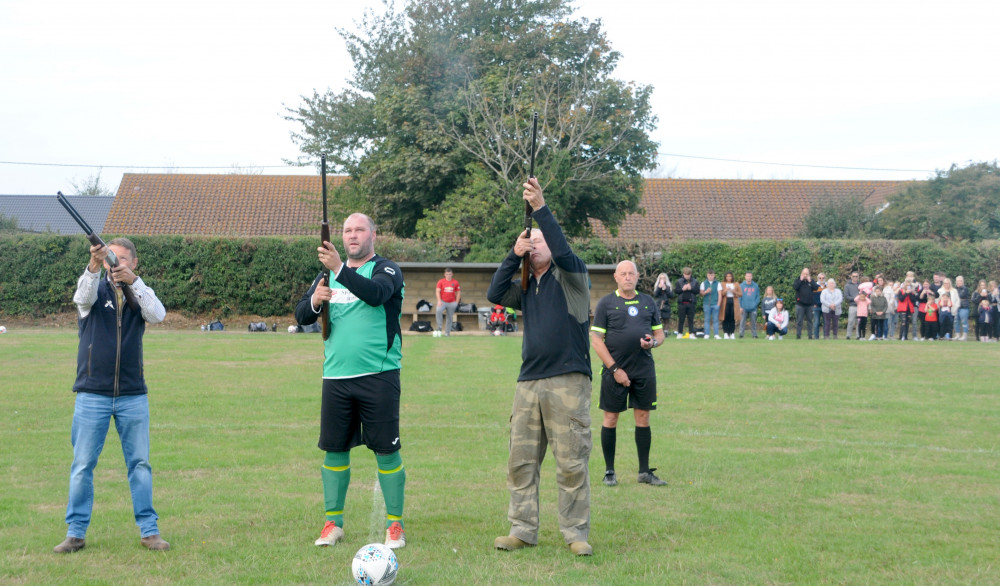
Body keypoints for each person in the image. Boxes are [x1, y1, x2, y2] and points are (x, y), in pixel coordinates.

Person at [487, 177, 593, 557]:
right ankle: (522, 529)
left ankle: (575, 532)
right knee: (521, 461)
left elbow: (562, 251)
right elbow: (495, 293)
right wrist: (514, 255)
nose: (535, 249)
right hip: (528, 382)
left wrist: (541, 209)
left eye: (538, 243)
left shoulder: (575, 279)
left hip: (568, 380)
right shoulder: (528, 287)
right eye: (530, 245)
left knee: (571, 462)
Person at [295, 213, 407, 550]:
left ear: (374, 234)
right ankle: (333, 523)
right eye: (347, 230)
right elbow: (301, 315)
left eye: (359, 229)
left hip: (379, 375)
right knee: (334, 450)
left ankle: (395, 525)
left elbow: (375, 295)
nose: (353, 235)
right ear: (341, 236)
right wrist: (315, 299)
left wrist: (341, 269)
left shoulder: (387, 269)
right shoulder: (326, 275)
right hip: (336, 378)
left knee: (387, 451)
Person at [55, 238, 169, 554]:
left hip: (133, 393)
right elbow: (81, 297)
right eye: (108, 258)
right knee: (82, 465)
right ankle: (75, 533)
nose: (113, 263)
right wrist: (92, 267)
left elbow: (157, 313)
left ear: (133, 262)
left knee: (140, 464)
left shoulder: (138, 291)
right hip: (92, 392)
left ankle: (149, 532)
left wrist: (135, 283)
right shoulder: (94, 289)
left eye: (119, 258)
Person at [590, 260, 667, 489]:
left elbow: (660, 334)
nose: (627, 277)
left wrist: (652, 342)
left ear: (637, 276)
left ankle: (644, 472)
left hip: (643, 370)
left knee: (643, 418)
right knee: (610, 418)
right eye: (622, 274)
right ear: (615, 276)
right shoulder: (606, 303)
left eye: (630, 273)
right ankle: (609, 472)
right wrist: (615, 370)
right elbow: (596, 340)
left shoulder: (647, 302)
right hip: (615, 372)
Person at [434, 267, 461, 336]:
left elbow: (458, 292)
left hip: (452, 302)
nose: (448, 275)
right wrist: (439, 301)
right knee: (438, 310)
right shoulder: (441, 281)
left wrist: (456, 302)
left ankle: (447, 333)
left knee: (449, 317)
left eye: (450, 274)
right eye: (447, 274)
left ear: (452, 274)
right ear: (444, 274)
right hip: (443, 301)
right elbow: (437, 291)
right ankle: (439, 327)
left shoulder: (455, 282)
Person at [674, 267, 699, 339]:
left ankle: (691, 333)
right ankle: (680, 333)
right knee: (681, 319)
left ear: (690, 274)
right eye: (685, 274)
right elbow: (676, 291)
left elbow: (697, 291)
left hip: (691, 303)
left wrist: (691, 289)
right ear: (683, 274)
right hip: (682, 303)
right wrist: (682, 289)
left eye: (688, 274)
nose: (687, 276)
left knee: (691, 319)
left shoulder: (695, 281)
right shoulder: (679, 281)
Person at [718, 271, 742, 339]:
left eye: (730, 276)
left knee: (732, 318)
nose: (729, 278)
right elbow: (720, 294)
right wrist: (725, 290)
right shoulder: (722, 283)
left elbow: (740, 294)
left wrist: (734, 291)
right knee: (725, 317)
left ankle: (732, 333)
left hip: (733, 301)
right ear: (725, 277)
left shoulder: (736, 284)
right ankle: (726, 333)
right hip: (725, 302)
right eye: (727, 276)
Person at [792, 268, 815, 339]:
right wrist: (800, 280)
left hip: (810, 305)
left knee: (810, 321)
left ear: (809, 274)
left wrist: (810, 281)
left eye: (807, 274)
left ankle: (810, 335)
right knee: (799, 321)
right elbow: (795, 287)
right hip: (800, 305)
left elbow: (816, 288)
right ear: (801, 274)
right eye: (804, 274)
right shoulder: (798, 280)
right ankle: (798, 335)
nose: (805, 275)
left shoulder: (811, 281)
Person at [738, 272, 761, 339]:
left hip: (753, 308)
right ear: (745, 277)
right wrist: (740, 307)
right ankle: (741, 334)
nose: (749, 278)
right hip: (744, 307)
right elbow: (739, 297)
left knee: (753, 322)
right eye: (747, 276)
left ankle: (754, 335)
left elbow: (758, 297)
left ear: (752, 277)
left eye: (750, 276)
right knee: (742, 322)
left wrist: (755, 304)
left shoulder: (755, 286)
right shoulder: (741, 286)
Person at [700, 270, 721, 339]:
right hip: (706, 304)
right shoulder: (703, 283)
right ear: (707, 275)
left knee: (715, 320)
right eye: (709, 275)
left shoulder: (718, 283)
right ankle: (707, 334)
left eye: (712, 275)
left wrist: (718, 304)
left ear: (714, 275)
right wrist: (706, 291)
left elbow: (720, 294)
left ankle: (716, 334)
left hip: (715, 304)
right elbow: (701, 294)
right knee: (707, 319)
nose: (710, 276)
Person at [954, 276, 971, 341]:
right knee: (956, 321)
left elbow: (961, 295)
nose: (959, 282)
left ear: (963, 281)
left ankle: (964, 335)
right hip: (956, 307)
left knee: (964, 321)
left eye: (961, 280)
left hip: (963, 306)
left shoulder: (965, 288)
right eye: (958, 280)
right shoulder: (954, 289)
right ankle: (957, 334)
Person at [811, 272, 826, 339]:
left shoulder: (827, 286)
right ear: (817, 278)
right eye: (820, 278)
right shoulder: (814, 286)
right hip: (816, 307)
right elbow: (811, 296)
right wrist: (813, 304)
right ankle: (816, 337)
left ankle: (826, 336)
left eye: (823, 278)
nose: (821, 279)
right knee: (816, 323)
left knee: (825, 323)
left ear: (825, 278)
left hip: (825, 307)